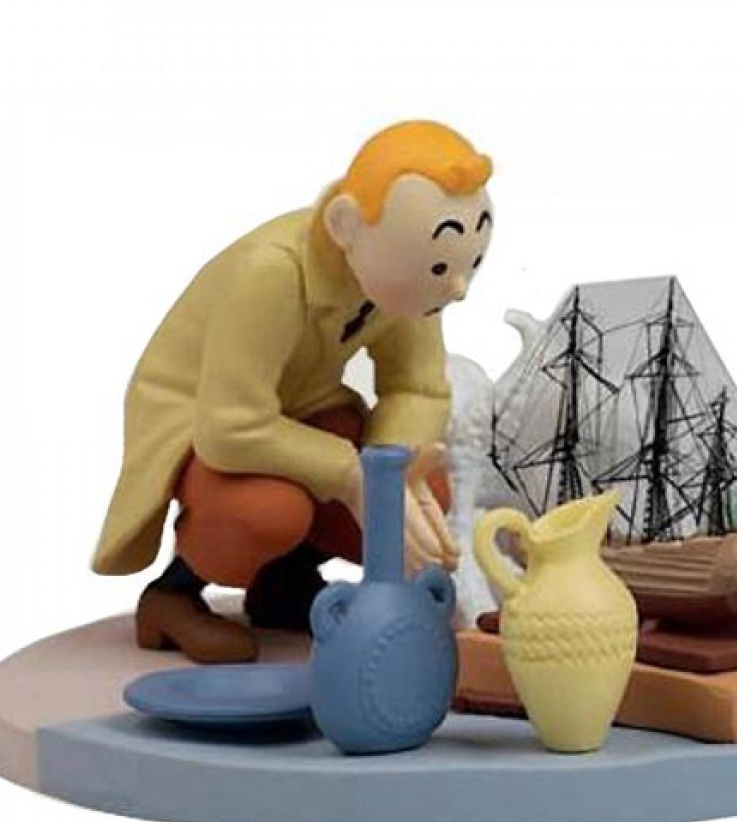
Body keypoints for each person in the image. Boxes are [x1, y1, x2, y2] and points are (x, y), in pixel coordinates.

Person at [91, 121, 494, 663]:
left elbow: (417, 388)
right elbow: (230, 426)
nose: (458, 288)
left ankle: (282, 581)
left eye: (469, 265)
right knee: (267, 512)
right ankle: (173, 594)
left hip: (302, 408)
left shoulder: (412, 278)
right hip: (201, 417)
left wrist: (389, 472)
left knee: (418, 495)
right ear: (347, 225)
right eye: (443, 267)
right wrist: (350, 476)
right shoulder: (272, 273)